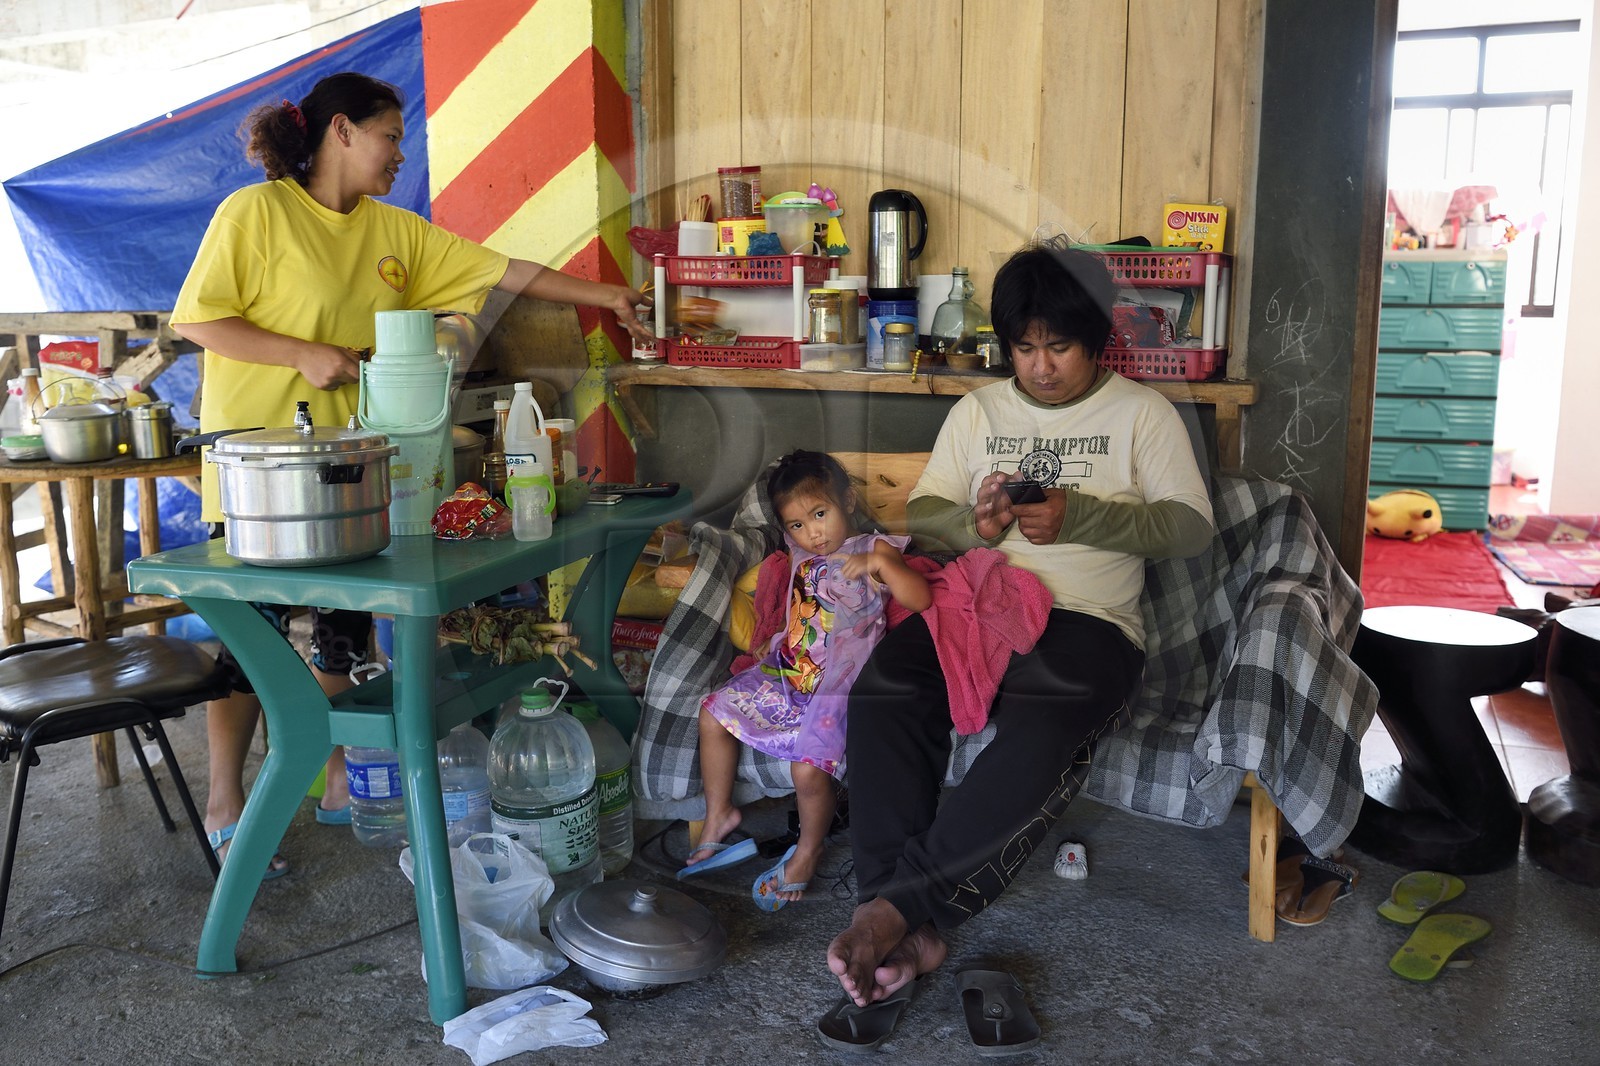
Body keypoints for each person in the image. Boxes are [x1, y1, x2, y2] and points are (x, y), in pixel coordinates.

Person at [169, 72, 651, 878]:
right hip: (261, 460)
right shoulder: (256, 213)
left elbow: (505, 273)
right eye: (390, 135)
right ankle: (227, 801)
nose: (401, 153)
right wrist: (298, 353)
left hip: (351, 459)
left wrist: (610, 294)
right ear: (341, 133)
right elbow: (196, 317)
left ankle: (329, 778)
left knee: (345, 628)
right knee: (250, 636)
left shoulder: (398, 232)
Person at [824, 246, 1214, 1006]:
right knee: (885, 691)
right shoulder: (980, 413)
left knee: (1039, 728)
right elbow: (928, 512)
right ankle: (902, 916)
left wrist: (1083, 513)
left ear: (1097, 337)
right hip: (976, 606)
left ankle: (890, 911)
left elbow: (1191, 528)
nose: (1040, 367)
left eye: (1059, 346)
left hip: (1089, 625)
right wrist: (978, 519)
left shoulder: (1143, 413)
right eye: (1025, 348)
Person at [687, 450, 930, 910]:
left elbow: (919, 601)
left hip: (838, 687)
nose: (812, 532)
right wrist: (774, 638)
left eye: (821, 514)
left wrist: (887, 569)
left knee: (808, 769)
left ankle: (809, 849)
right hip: (788, 673)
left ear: (849, 502)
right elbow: (801, 611)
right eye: (798, 524)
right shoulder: (799, 554)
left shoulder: (872, 549)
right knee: (712, 713)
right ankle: (719, 814)